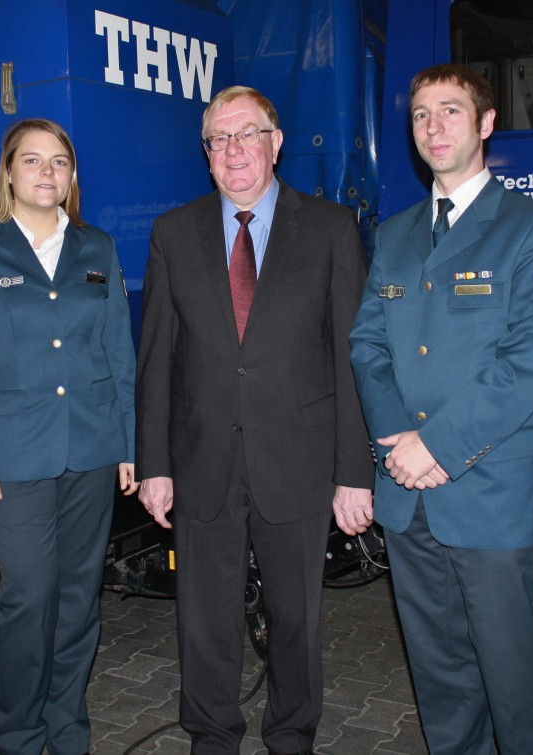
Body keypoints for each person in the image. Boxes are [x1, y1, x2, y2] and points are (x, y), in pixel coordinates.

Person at [135, 85, 374, 754]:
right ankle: (212, 734)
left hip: (297, 461)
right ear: (206, 154)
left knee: (296, 617)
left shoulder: (329, 229)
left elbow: (352, 358)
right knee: (204, 619)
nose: (233, 150)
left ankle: (292, 732)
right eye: (219, 139)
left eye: (247, 134)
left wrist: (354, 472)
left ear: (276, 142)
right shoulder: (173, 233)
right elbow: (156, 360)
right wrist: (153, 463)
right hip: (201, 460)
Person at [349, 63, 533, 753]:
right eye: (421, 115)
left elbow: (530, 363)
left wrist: (436, 447)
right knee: (440, 673)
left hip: (485, 491)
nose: (433, 127)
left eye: (450, 111)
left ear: (485, 124)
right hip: (406, 489)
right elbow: (367, 342)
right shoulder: (396, 233)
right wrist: (392, 436)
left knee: (512, 673)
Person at [0, 118, 138, 755]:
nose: (47, 172)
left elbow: (120, 354)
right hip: (10, 456)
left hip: (93, 448)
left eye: (60, 162)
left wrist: (131, 444)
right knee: (29, 595)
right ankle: (17, 734)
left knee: (80, 597)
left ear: (72, 176)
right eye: (32, 160)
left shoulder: (97, 248)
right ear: (9, 174)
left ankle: (67, 727)